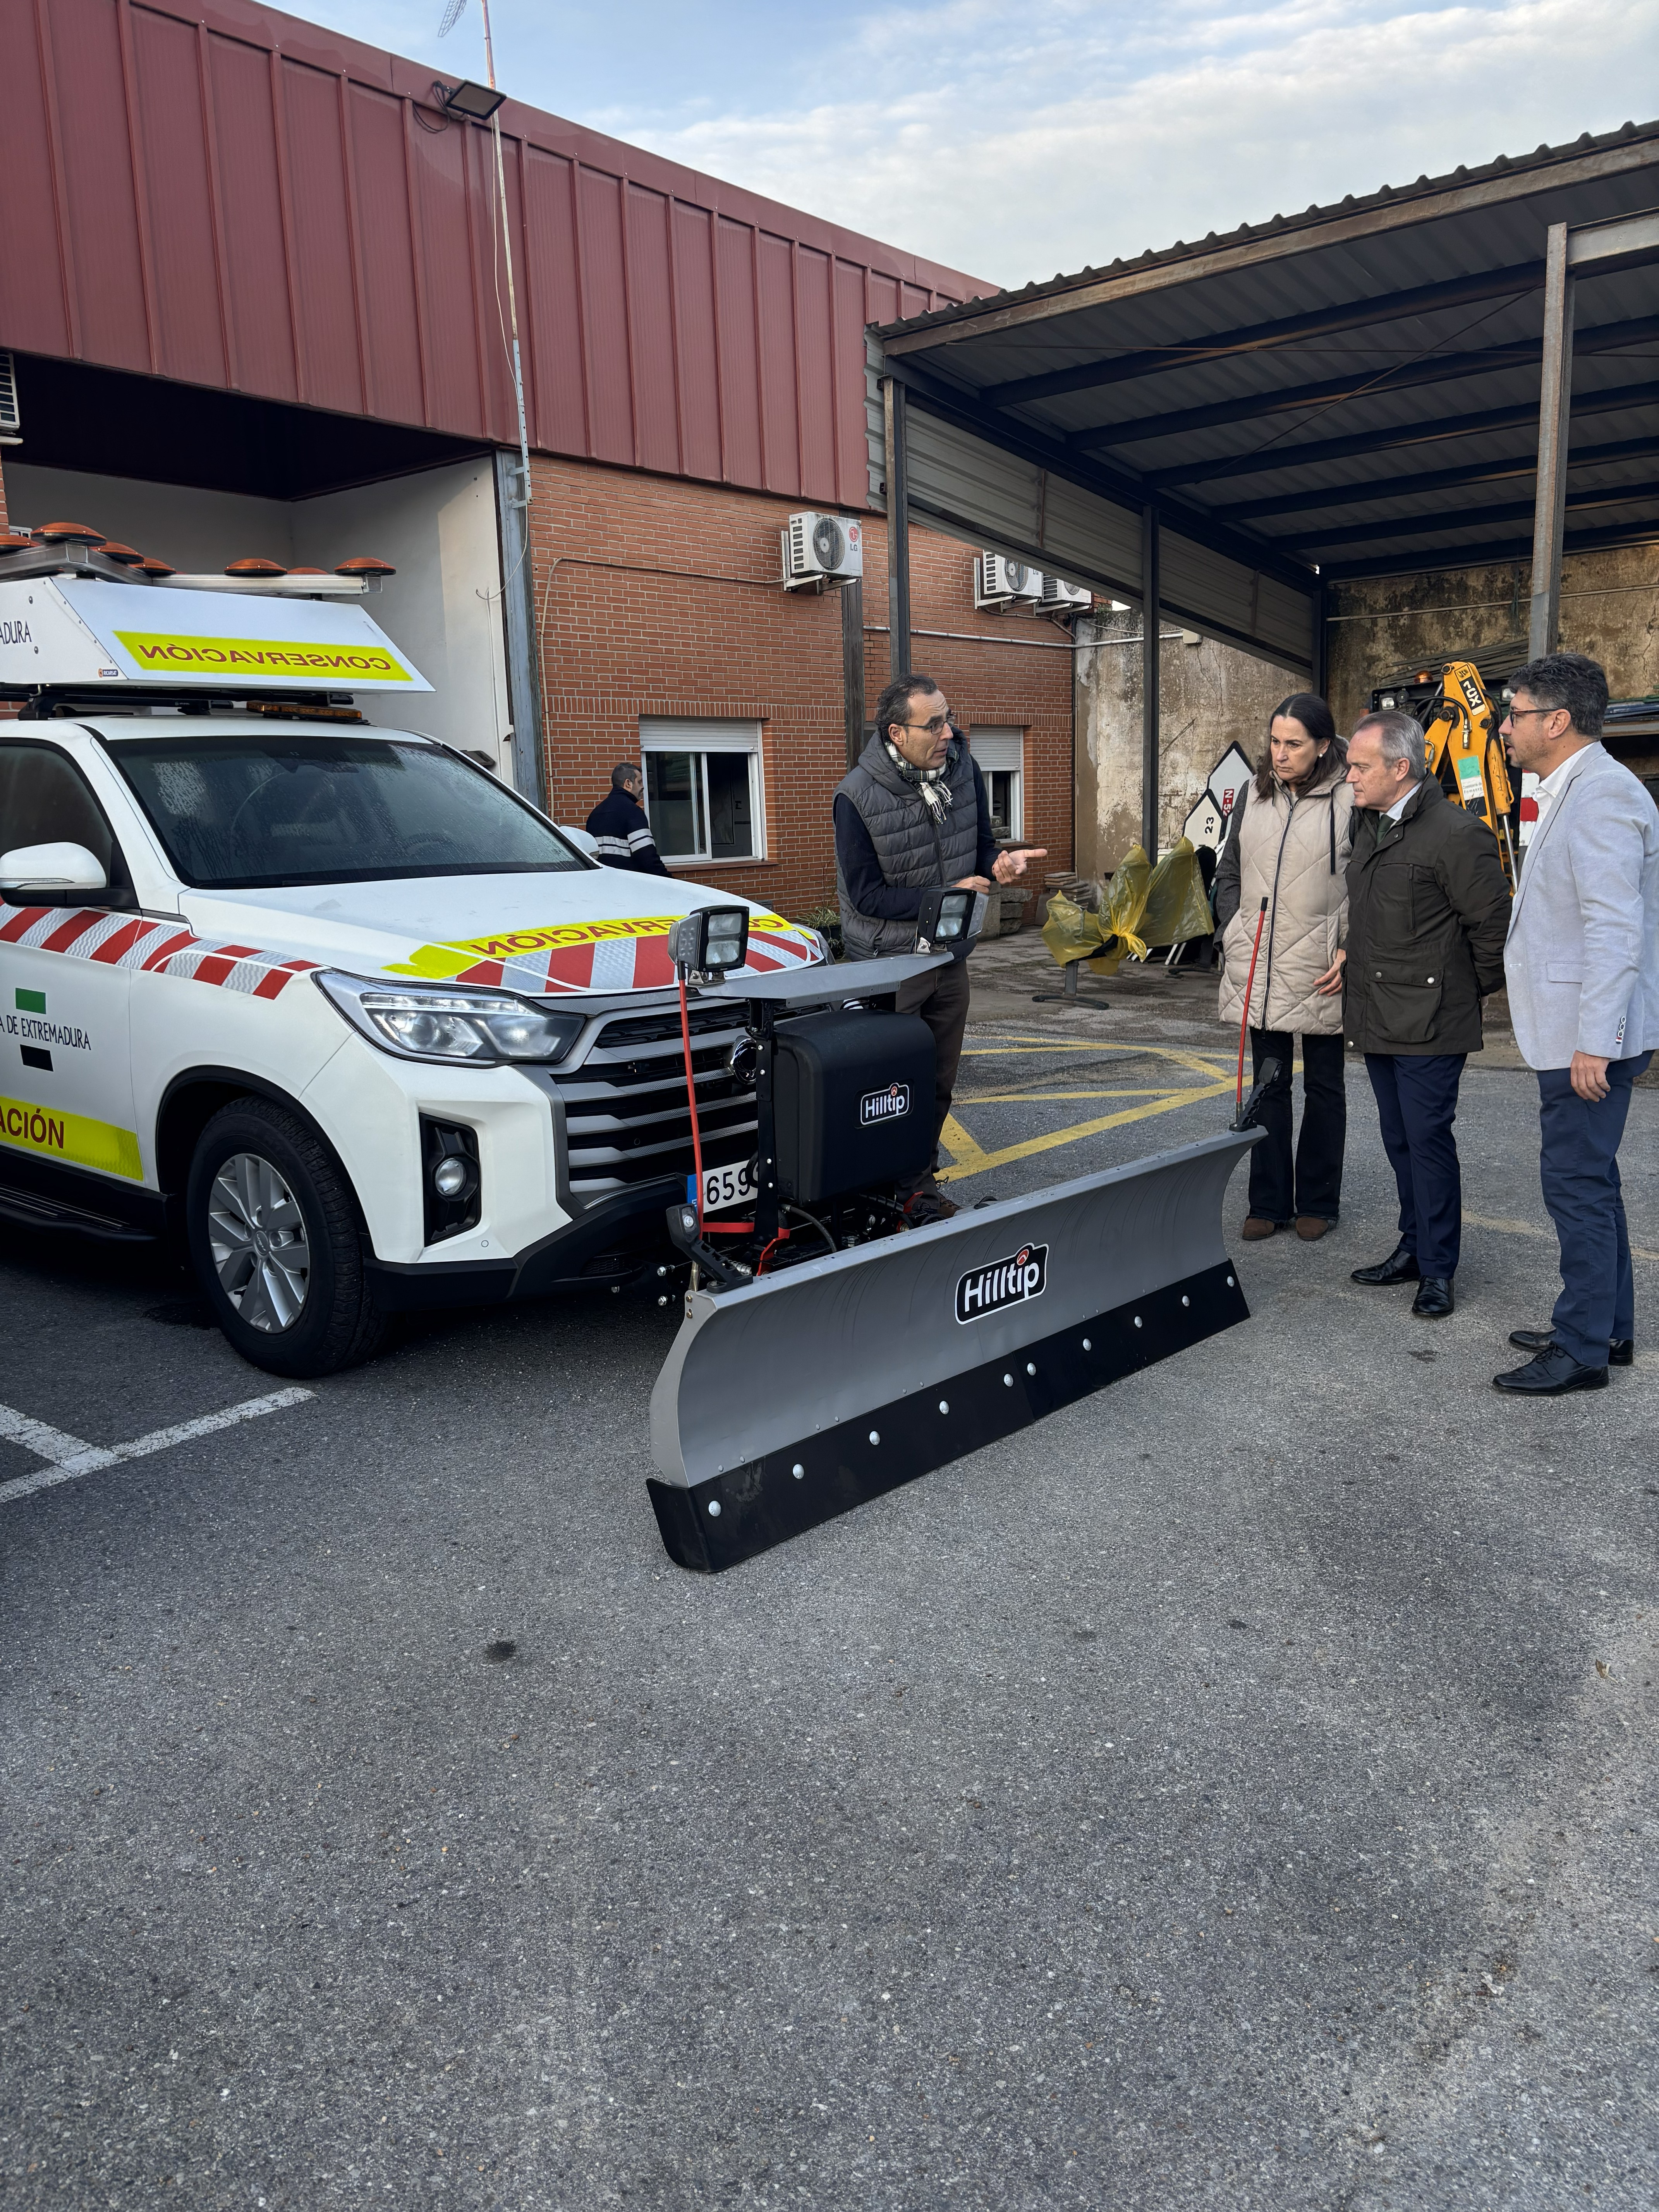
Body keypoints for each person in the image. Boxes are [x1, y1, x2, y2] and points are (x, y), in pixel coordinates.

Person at [1492, 653, 1659, 1395]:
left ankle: (1580, 1348)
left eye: (1515, 713)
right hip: (1576, 1030)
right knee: (1591, 1180)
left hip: (1585, 1038)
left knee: (1574, 1186)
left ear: (1555, 720)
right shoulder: (1573, 787)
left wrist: (1595, 1040)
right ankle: (1606, 1326)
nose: (1504, 727)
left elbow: (1612, 928)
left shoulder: (1599, 795)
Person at [835, 674, 1045, 1224]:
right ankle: (875, 1197)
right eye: (934, 725)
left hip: (949, 956)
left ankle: (917, 1192)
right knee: (888, 1092)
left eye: (948, 718)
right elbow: (866, 896)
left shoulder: (963, 769)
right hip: (888, 968)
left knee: (936, 1085)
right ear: (897, 733)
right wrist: (945, 895)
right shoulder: (856, 796)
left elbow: (980, 850)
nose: (948, 733)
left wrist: (999, 865)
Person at [1336, 708, 1510, 1319]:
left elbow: (1492, 930)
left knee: (1428, 1142)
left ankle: (1438, 1270)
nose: (1350, 777)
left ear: (1400, 768)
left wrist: (1459, 992)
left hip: (1431, 1020)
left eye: (1360, 767)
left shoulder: (1455, 833)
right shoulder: (1370, 825)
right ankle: (1413, 1248)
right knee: (1400, 1139)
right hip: (1378, 1010)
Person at [1213, 692, 1352, 1241]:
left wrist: (1351, 946)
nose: (1280, 753)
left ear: (1323, 745)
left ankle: (1319, 1201)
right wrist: (1233, 928)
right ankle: (1268, 1203)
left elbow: (1368, 877)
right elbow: (1228, 869)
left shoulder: (1352, 794)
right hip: (1261, 962)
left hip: (1324, 964)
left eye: (1294, 743)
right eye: (1275, 741)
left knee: (1325, 1087)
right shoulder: (1254, 792)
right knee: (1268, 1085)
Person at [585, 763, 669, 875]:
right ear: (628, 784)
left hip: (603, 881)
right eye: (640, 782)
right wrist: (669, 880)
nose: (643, 787)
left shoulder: (595, 815)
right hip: (628, 881)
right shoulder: (633, 812)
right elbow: (647, 858)